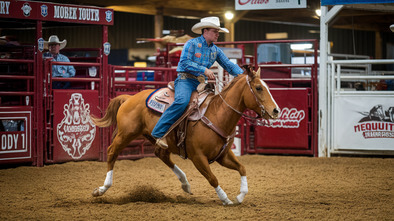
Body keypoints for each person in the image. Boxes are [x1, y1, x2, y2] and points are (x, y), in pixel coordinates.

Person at [152, 16, 244, 149]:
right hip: (186, 80)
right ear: (205, 31)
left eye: (218, 32)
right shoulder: (192, 44)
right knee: (182, 101)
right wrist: (204, 69)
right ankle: (158, 132)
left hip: (201, 83)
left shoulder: (215, 50)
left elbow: (228, 65)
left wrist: (244, 75)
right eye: (215, 31)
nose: (218, 34)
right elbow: (184, 62)